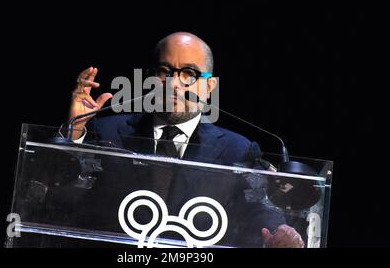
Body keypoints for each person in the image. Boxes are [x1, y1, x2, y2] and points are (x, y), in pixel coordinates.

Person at [68, 32, 305, 248]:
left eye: (189, 74)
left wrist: (278, 231)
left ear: (209, 86)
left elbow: (257, 207)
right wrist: (74, 132)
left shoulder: (238, 151)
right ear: (151, 78)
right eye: (164, 71)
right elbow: (64, 190)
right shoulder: (106, 132)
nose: (175, 83)